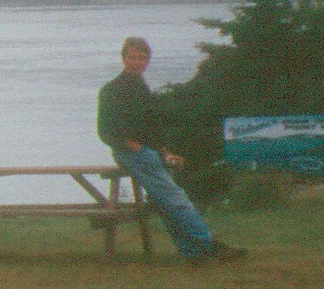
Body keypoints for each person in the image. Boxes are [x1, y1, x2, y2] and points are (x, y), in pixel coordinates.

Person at [99, 37, 245, 263]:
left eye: (142, 58)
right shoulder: (112, 90)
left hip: (148, 152)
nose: (137, 62)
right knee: (176, 199)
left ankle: (192, 252)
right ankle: (207, 245)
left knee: (166, 202)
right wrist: (131, 145)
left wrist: (163, 152)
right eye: (132, 57)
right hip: (132, 154)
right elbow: (105, 131)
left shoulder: (141, 87)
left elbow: (151, 127)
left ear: (148, 60)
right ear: (123, 58)